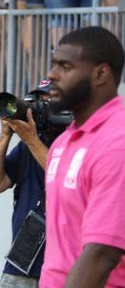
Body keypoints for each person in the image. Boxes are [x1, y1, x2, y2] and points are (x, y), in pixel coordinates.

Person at [41, 26, 125, 287]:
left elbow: (103, 253)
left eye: (65, 67)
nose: (51, 75)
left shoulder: (118, 142)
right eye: (54, 64)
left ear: (101, 73)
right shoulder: (64, 140)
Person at [0, 81, 62, 287]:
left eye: (45, 102)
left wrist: (32, 139)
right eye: (34, 102)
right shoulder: (28, 144)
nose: (36, 109)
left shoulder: (72, 142)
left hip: (63, 268)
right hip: (21, 266)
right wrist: (5, 135)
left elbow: (59, 177)